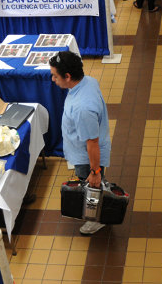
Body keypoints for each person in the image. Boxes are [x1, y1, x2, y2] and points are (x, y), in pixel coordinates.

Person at [49, 51, 112, 235]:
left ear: (68, 76)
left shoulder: (83, 108)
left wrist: (95, 171)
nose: (53, 79)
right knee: (94, 183)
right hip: (83, 152)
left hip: (88, 159)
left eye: (55, 75)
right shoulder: (88, 81)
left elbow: (92, 142)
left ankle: (96, 219)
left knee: (92, 187)